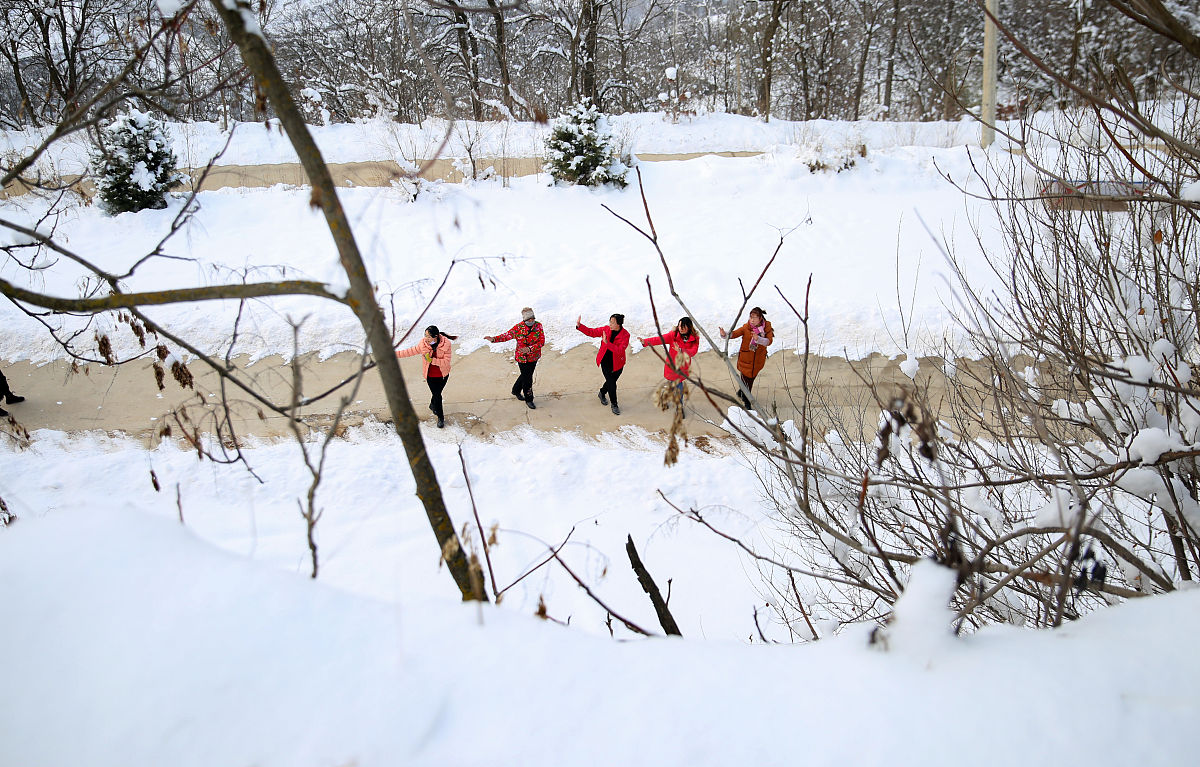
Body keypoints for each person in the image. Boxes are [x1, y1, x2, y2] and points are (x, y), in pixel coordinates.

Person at [396, 325, 457, 428]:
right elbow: (410, 351)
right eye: (425, 335)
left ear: (436, 336)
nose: (426, 338)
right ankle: (440, 417)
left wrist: (432, 360)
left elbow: (446, 362)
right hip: (430, 376)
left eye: (428, 336)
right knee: (437, 395)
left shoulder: (446, 344)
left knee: (436, 394)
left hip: (443, 375)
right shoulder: (423, 345)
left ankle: (432, 405)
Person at [485, 307, 546, 409]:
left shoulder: (538, 326)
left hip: (534, 356)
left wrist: (530, 349)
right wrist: (493, 339)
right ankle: (529, 399)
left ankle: (516, 390)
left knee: (526, 375)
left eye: (533, 319)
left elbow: (541, 342)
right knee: (528, 380)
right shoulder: (518, 328)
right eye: (529, 319)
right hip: (522, 358)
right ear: (524, 319)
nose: (531, 321)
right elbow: (506, 336)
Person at [719, 307, 774, 409]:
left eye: (755, 317)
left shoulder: (766, 328)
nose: (752, 320)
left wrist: (759, 339)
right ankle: (747, 401)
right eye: (751, 317)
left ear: (760, 318)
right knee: (746, 382)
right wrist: (725, 334)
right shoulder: (746, 328)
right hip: (745, 360)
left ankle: (741, 392)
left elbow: (769, 341)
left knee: (750, 380)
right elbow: (734, 334)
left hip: (757, 361)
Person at [577, 313, 630, 415]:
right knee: (612, 384)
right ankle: (614, 404)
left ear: (618, 324)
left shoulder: (625, 335)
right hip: (605, 361)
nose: (610, 324)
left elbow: (620, 350)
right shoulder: (606, 329)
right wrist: (580, 326)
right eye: (610, 321)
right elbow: (591, 332)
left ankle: (602, 392)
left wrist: (607, 343)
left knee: (611, 381)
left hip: (618, 363)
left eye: (612, 322)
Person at [639, 317, 700, 386]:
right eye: (679, 326)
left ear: (689, 327)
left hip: (683, 367)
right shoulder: (673, 335)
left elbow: (693, 351)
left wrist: (681, 350)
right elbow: (659, 339)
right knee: (676, 385)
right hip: (673, 367)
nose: (681, 328)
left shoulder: (694, 338)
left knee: (677, 385)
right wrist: (646, 341)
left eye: (683, 327)